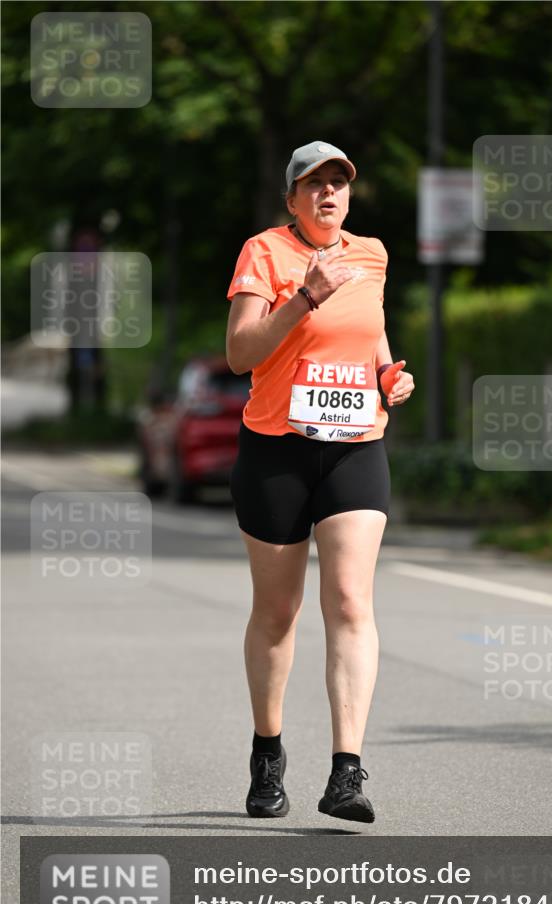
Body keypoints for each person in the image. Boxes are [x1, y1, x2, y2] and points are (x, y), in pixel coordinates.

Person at [226, 141, 415, 823]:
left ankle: (346, 772)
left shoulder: (372, 255)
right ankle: (268, 751)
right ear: (291, 199)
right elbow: (240, 352)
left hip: (354, 448)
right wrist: (305, 295)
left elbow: (372, 339)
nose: (327, 194)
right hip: (276, 449)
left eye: (337, 183)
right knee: (278, 614)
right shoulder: (265, 252)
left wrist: (390, 378)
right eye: (312, 185)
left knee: (348, 599)